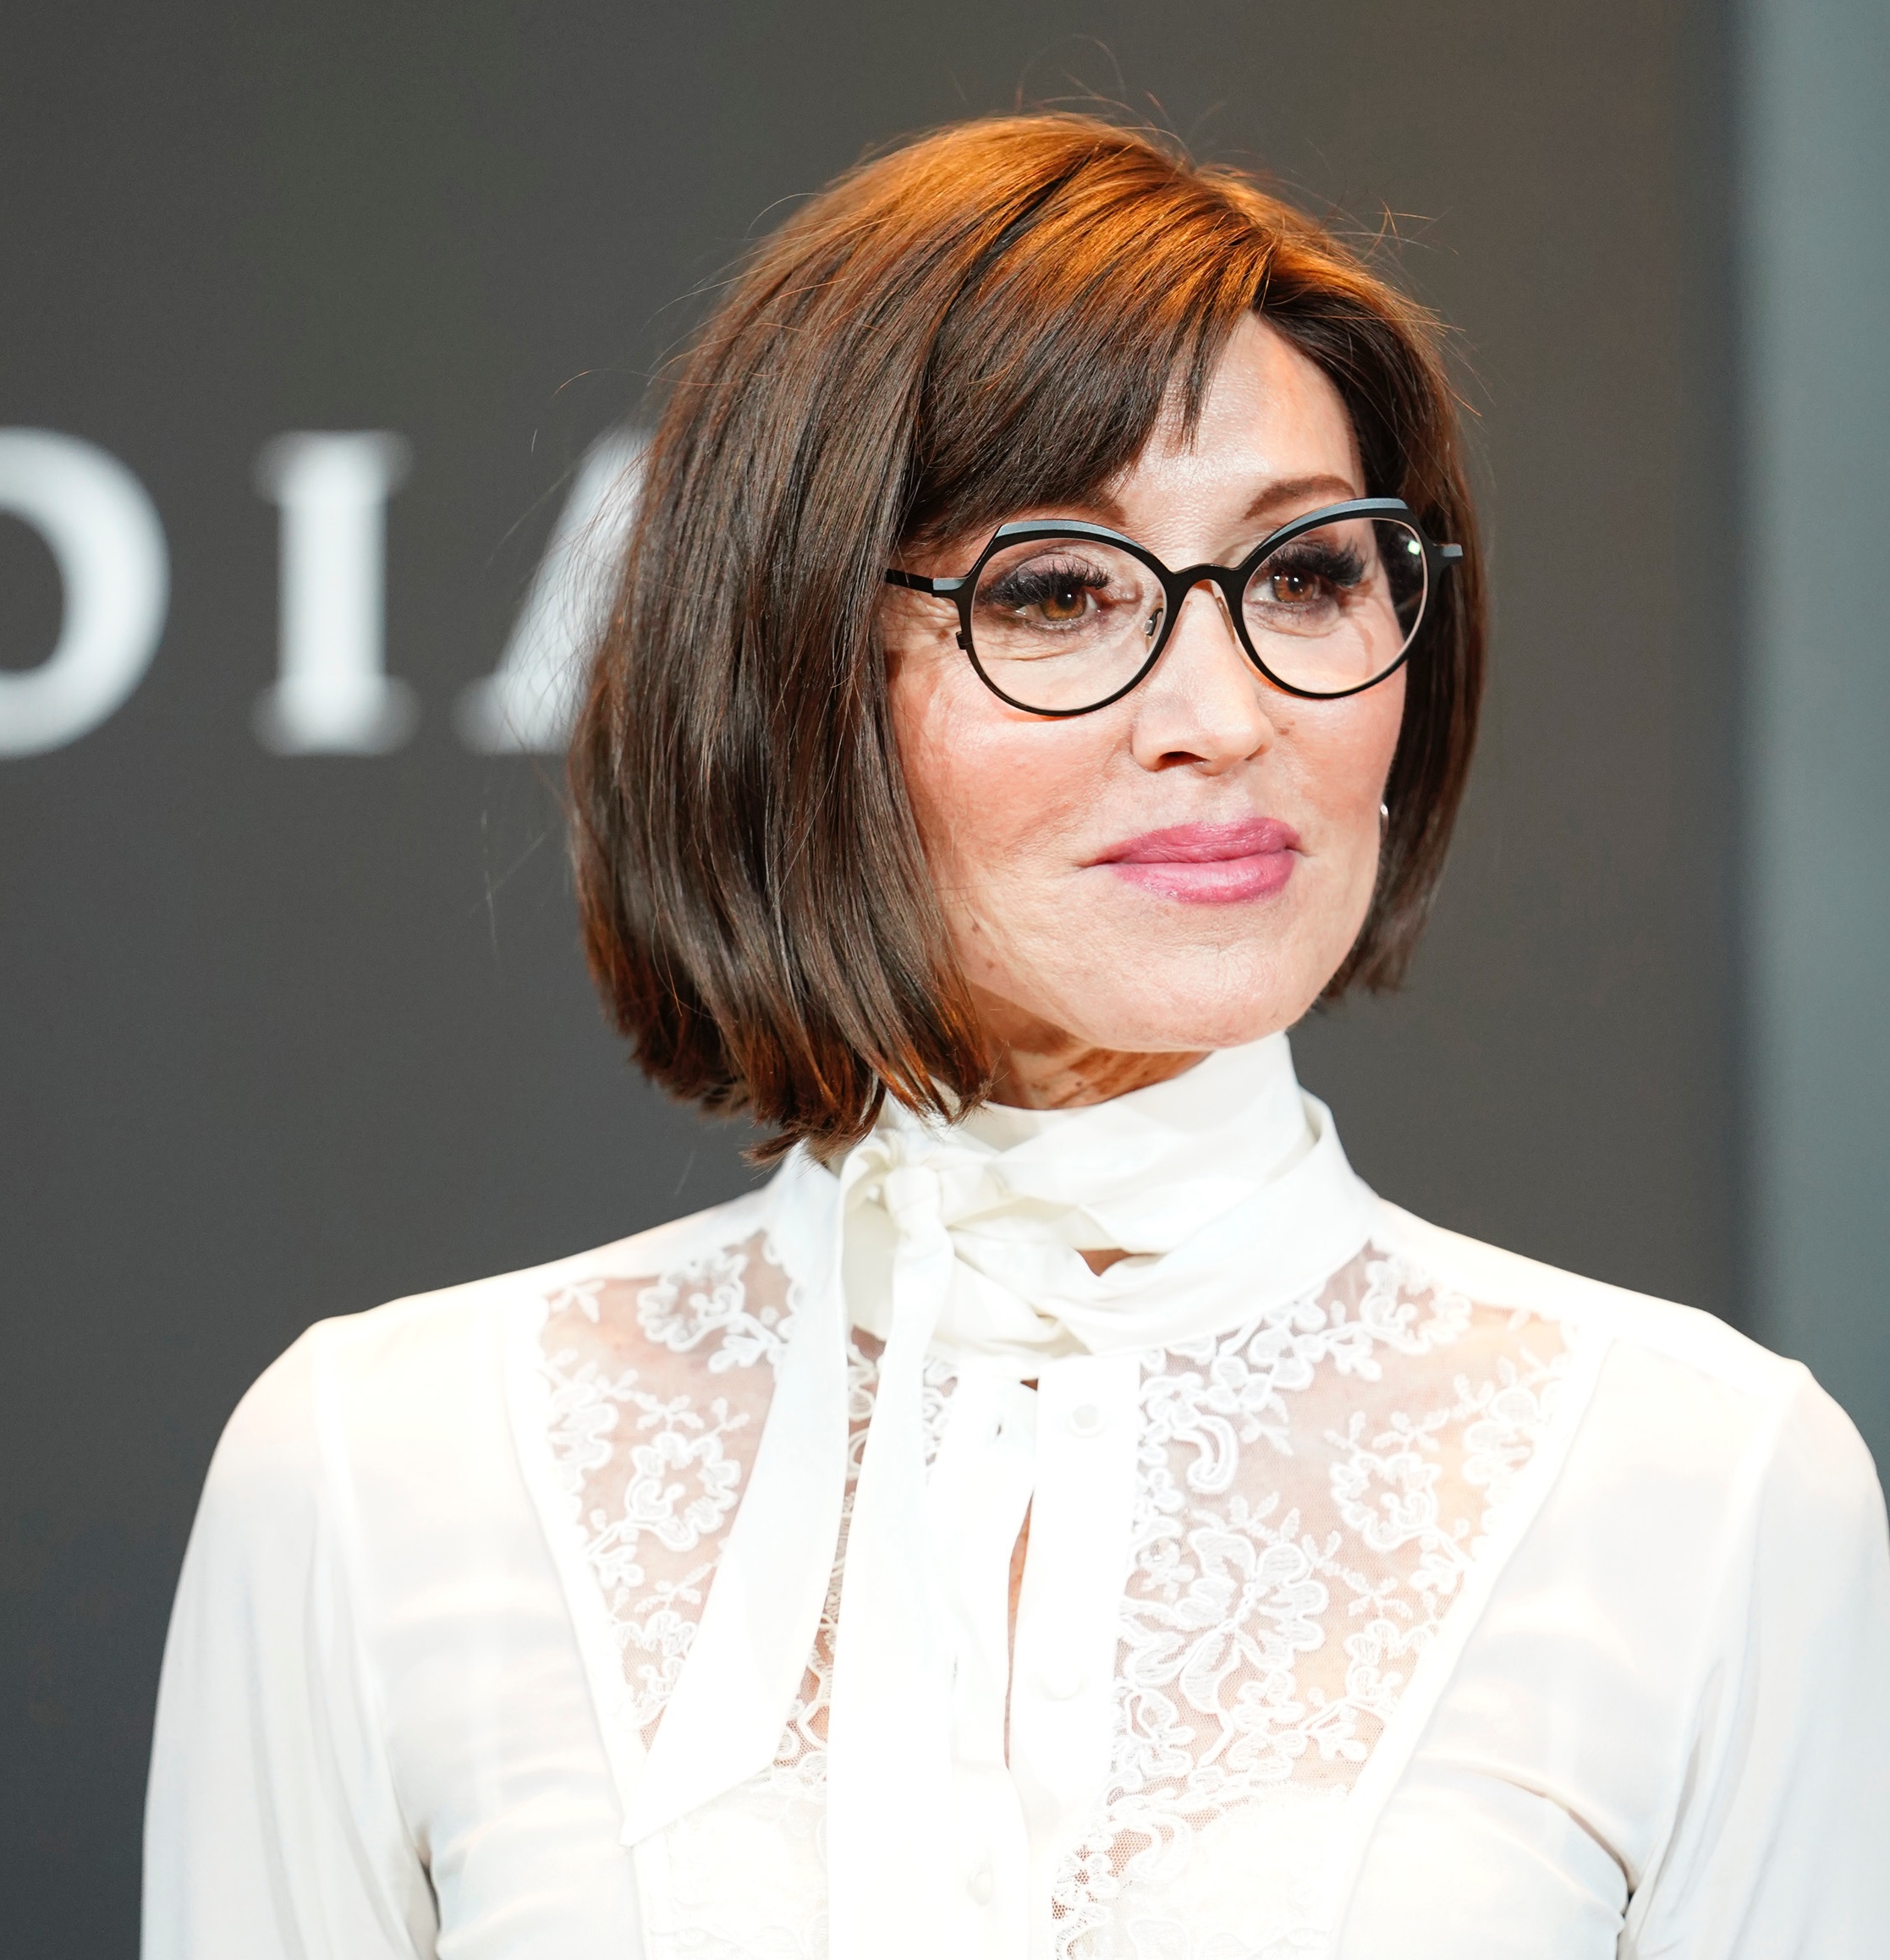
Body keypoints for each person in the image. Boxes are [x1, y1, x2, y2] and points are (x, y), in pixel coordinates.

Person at [141, 116, 1890, 1960]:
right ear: (794, 667)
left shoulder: (1704, 1482)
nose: (1222, 715)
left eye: (1307, 573)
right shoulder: (378, 1468)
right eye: (1055, 591)